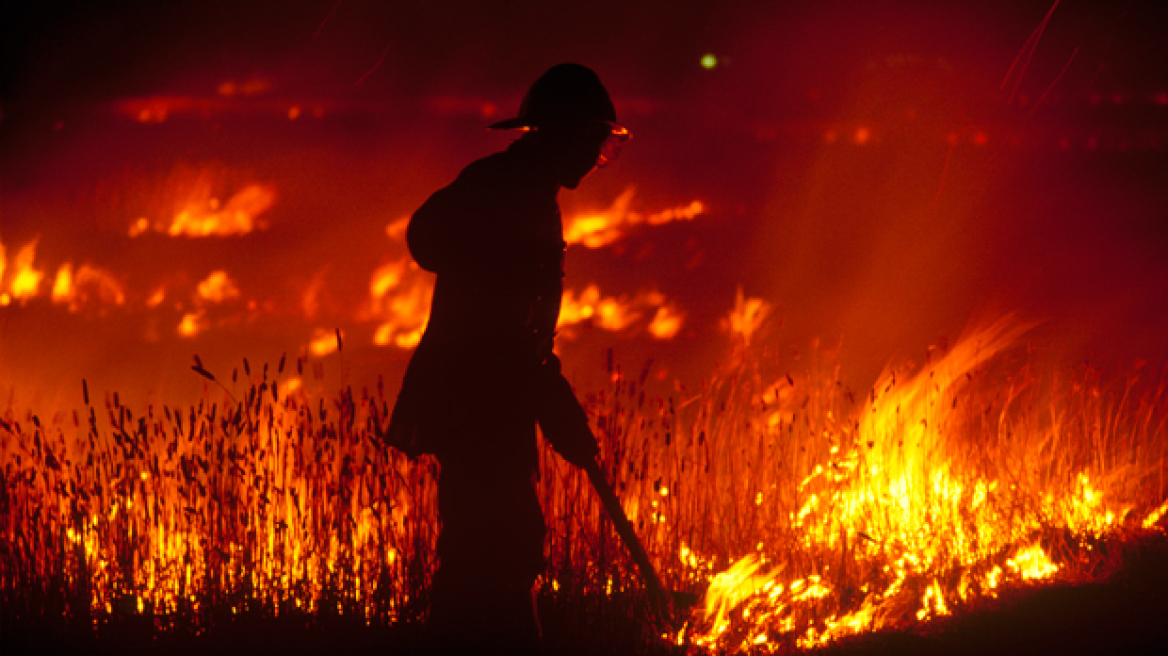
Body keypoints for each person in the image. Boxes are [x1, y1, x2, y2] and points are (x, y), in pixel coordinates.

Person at [386, 63, 630, 653]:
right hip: (478, 405)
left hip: (493, 401)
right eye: (594, 142)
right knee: (496, 548)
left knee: (496, 547)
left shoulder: (526, 191)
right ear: (564, 135)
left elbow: (522, 340)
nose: (596, 158)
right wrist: (549, 398)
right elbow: (500, 332)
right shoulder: (508, 191)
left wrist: (556, 405)